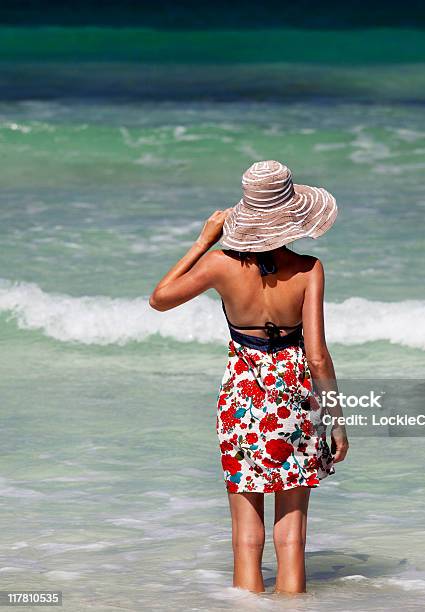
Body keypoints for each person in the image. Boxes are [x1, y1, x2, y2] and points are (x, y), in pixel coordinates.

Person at [149, 160, 349, 594]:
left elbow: (160, 298)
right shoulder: (309, 269)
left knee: (245, 535)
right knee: (292, 535)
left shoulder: (220, 265)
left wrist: (203, 241)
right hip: (294, 396)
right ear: (293, 217)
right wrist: (337, 420)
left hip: (243, 393)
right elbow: (316, 356)